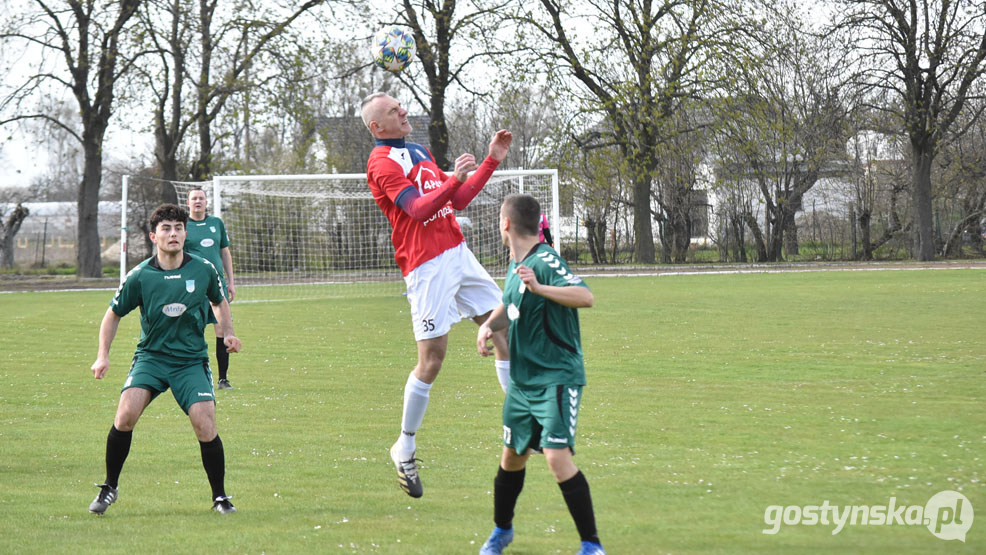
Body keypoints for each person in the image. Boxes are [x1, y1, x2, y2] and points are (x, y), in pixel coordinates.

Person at [360, 91, 513, 499]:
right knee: (432, 359)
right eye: (394, 110)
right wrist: (453, 180)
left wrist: (491, 159)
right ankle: (404, 446)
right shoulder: (380, 163)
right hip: (425, 266)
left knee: (503, 329)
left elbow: (456, 199)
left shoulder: (418, 150)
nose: (403, 111)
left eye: (401, 105)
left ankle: (520, 416)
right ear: (378, 127)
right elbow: (418, 209)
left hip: (457, 253)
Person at [88, 203, 242, 515]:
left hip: (190, 361)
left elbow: (219, 301)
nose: (173, 234)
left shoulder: (202, 269)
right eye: (166, 229)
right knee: (125, 415)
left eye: (178, 228)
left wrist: (227, 333)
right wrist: (102, 356)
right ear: (153, 236)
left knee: (205, 422)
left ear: (186, 233)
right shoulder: (141, 275)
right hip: (152, 358)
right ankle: (109, 487)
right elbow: (112, 315)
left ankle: (220, 498)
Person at [476, 194, 604, 555]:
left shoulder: (545, 260)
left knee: (555, 456)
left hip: (556, 378)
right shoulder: (518, 264)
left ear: (506, 223)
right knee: (512, 457)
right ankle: (502, 532)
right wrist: (488, 325)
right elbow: (511, 303)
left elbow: (585, 296)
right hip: (523, 381)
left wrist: (540, 288)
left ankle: (592, 545)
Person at [184, 188, 237, 390]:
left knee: (222, 329)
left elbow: (225, 252)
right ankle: (189, 376)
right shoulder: (183, 225)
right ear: (188, 203)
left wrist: (231, 281)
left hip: (217, 285)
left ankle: (223, 379)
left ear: (206, 202)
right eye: (194, 199)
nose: (198, 201)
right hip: (193, 286)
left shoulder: (216, 223)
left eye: (201, 198)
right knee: (190, 329)